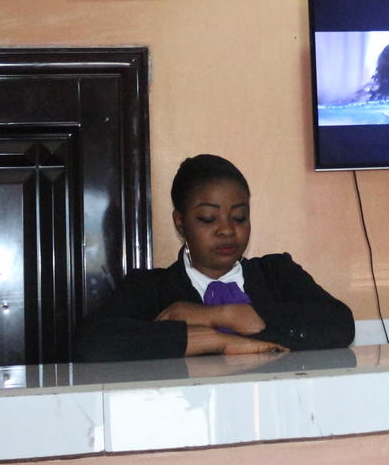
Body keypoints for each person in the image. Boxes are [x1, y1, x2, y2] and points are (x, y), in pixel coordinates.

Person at [73, 154, 354, 361]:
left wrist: (225, 315)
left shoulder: (277, 272)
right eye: (208, 218)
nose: (227, 230)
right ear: (180, 222)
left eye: (239, 217)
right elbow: (91, 344)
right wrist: (213, 339)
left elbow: (340, 323)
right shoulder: (150, 287)